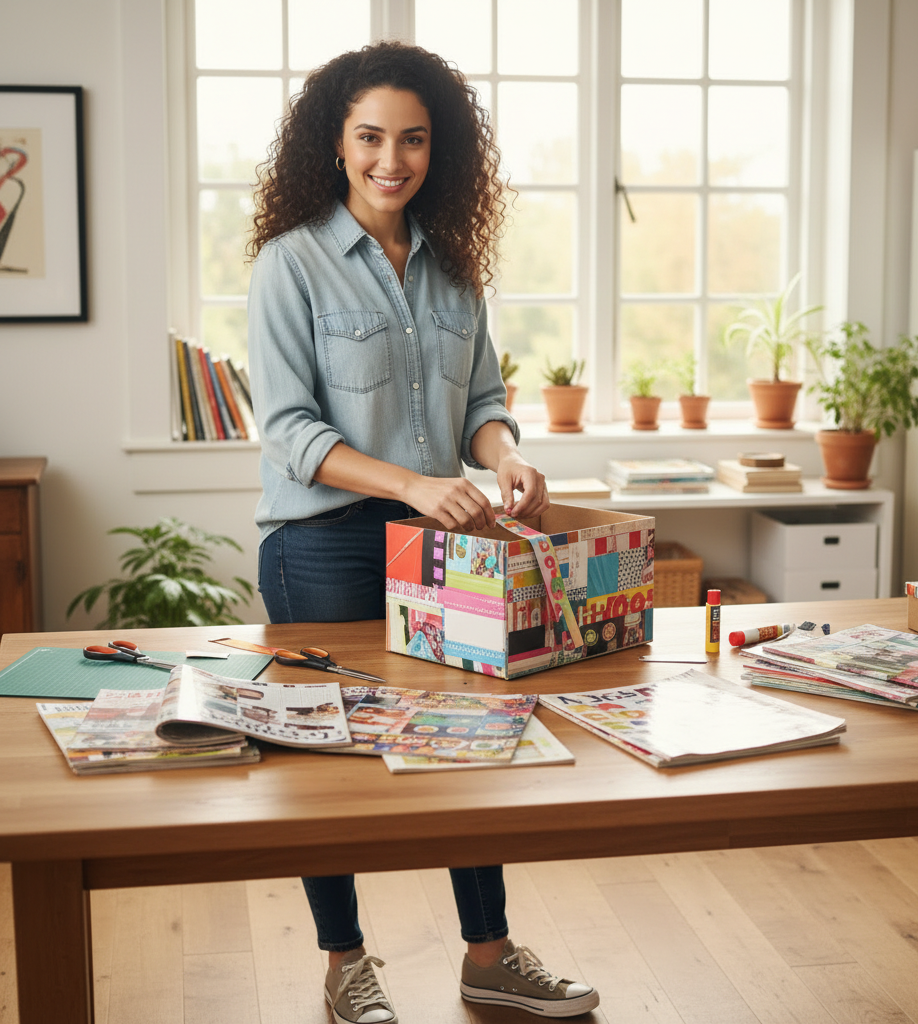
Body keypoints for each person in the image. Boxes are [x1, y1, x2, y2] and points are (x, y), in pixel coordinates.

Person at [247, 40, 599, 1024]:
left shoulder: (452, 270)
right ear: (335, 143)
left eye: (412, 139)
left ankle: (488, 955)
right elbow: (287, 433)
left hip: (442, 540)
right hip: (320, 544)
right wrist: (414, 481)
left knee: (470, 739)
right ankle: (343, 962)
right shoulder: (291, 263)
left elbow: (482, 400)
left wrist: (503, 458)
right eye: (370, 138)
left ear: (437, 149)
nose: (390, 160)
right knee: (332, 757)